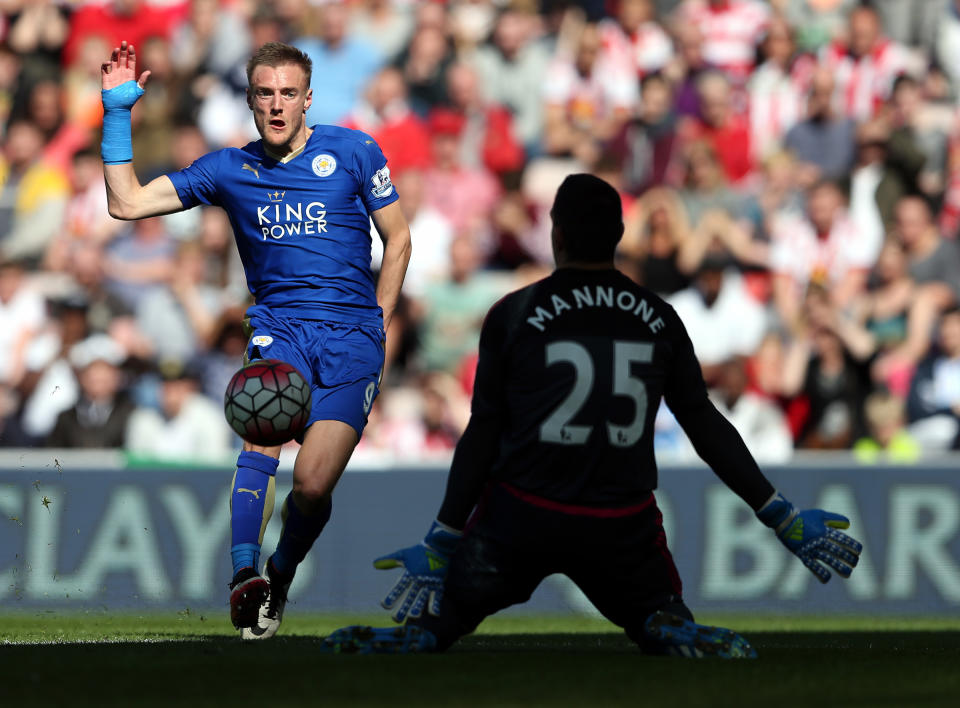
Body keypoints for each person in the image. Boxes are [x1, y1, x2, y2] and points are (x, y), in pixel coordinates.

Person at [320, 174, 861, 658]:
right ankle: (663, 622)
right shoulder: (659, 317)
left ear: (556, 234)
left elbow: (483, 433)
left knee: (441, 622)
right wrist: (778, 513)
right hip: (619, 522)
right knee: (661, 621)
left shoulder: (514, 313)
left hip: (521, 514)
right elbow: (705, 425)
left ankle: (425, 632)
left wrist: (443, 535)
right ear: (619, 235)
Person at [99, 40, 411, 638]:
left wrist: (381, 321)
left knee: (314, 485)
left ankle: (280, 574)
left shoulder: (353, 150)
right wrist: (117, 112)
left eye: (288, 93)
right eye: (265, 93)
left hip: (351, 339)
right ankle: (244, 576)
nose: (276, 105)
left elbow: (398, 239)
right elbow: (126, 203)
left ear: (308, 99)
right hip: (280, 330)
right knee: (261, 439)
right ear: (249, 99)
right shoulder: (228, 169)